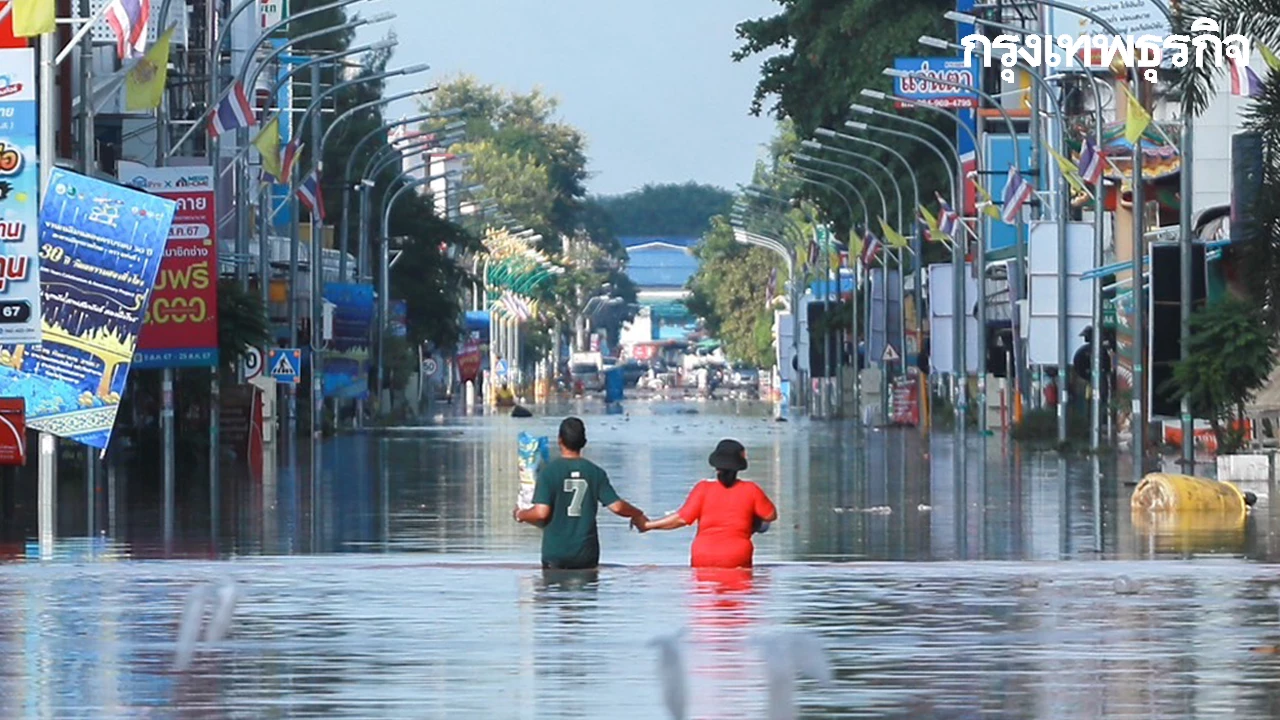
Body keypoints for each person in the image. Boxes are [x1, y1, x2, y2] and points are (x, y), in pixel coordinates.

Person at [514, 417, 648, 569]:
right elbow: (617, 507)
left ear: (560, 440)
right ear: (584, 442)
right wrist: (637, 513)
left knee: (552, 590)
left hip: (555, 553)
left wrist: (520, 514)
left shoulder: (548, 472)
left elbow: (541, 513)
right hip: (586, 555)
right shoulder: (595, 472)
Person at [642, 439, 778, 568]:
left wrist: (649, 525)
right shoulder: (751, 489)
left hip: (703, 554)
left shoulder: (702, 488)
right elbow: (770, 516)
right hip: (737, 555)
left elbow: (680, 519)